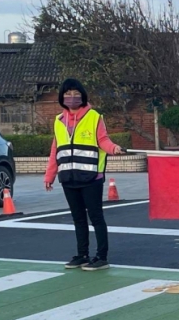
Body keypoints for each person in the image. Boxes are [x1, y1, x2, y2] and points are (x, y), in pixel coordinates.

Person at [44, 78, 123, 271]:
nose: (72, 97)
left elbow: (103, 140)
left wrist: (114, 149)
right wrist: (50, 175)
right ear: (62, 97)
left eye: (76, 93)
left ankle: (101, 257)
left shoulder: (94, 116)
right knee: (78, 218)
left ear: (83, 95)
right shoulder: (58, 121)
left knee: (96, 217)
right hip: (68, 177)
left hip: (91, 177)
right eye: (68, 93)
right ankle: (82, 255)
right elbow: (56, 149)